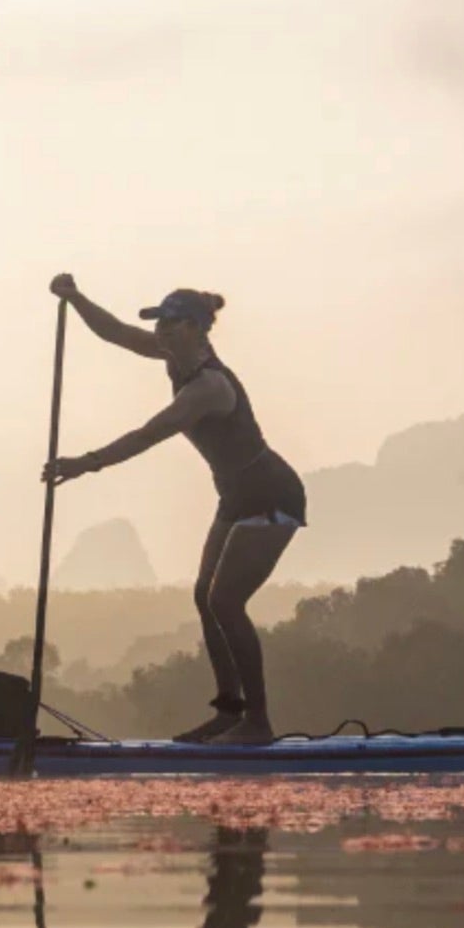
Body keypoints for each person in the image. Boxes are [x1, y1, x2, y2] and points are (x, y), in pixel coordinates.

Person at [41, 273, 306, 745]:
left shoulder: (209, 387)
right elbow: (116, 333)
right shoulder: (172, 357)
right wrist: (76, 297)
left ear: (197, 329)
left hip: (271, 494)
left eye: (170, 322)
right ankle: (229, 712)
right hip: (234, 496)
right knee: (205, 597)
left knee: (226, 602)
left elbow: (149, 434)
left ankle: (258, 723)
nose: (160, 330)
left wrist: (86, 463)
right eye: (158, 322)